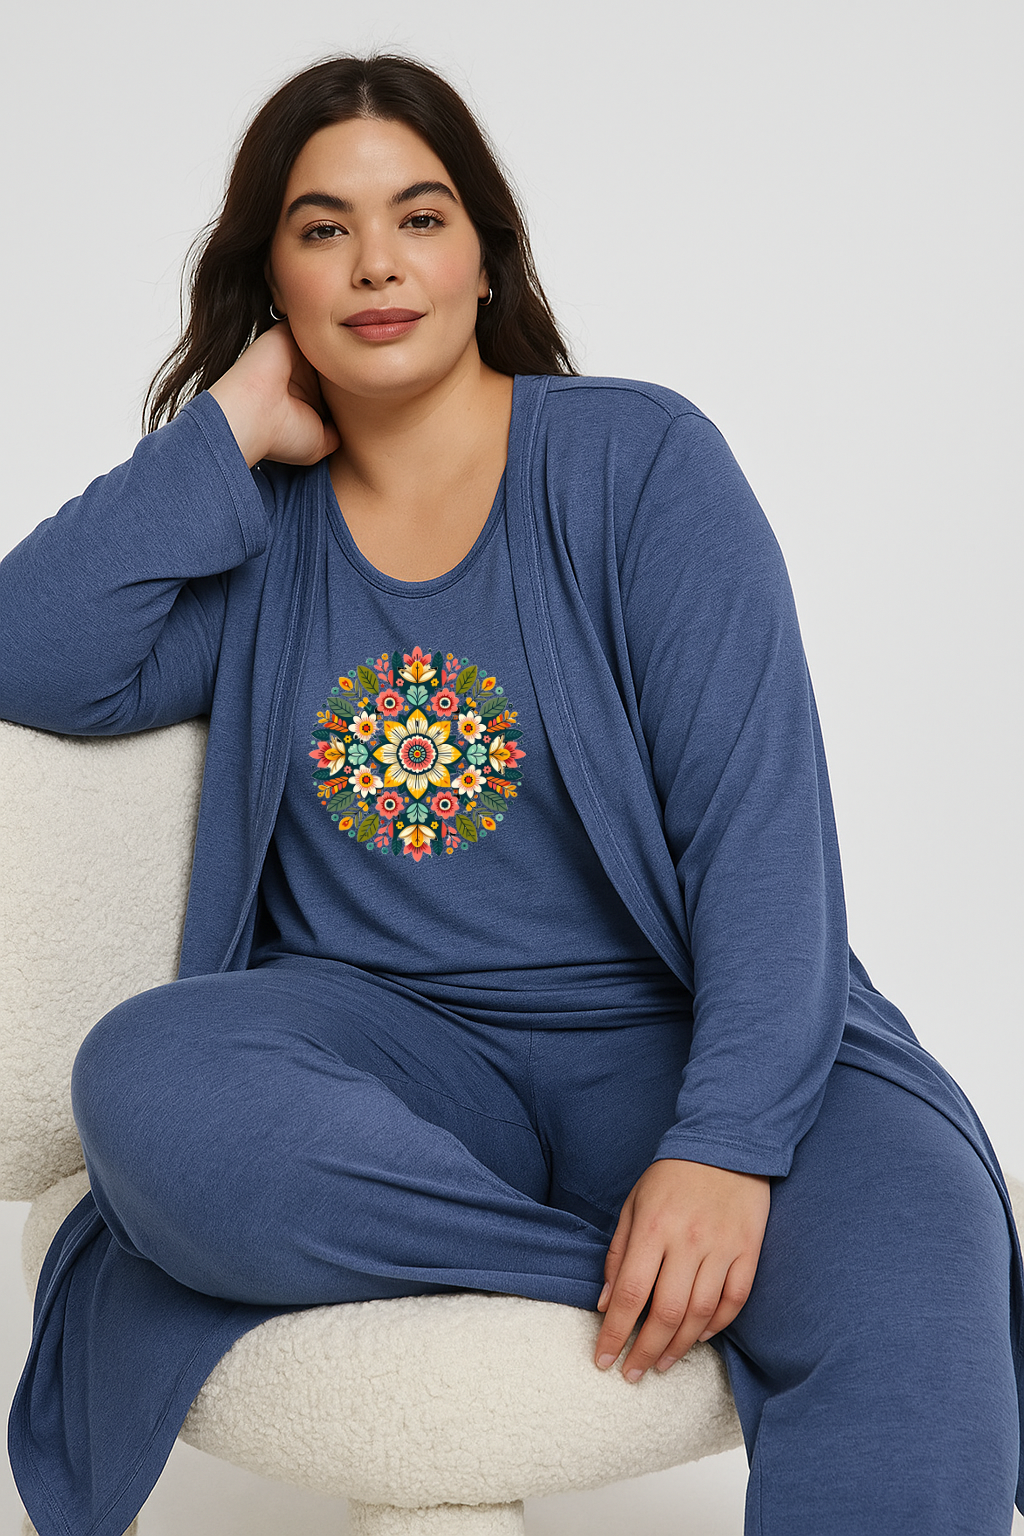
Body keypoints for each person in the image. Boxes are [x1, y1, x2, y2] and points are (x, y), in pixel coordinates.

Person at [2, 51, 1021, 1536]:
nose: (376, 264)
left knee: (919, 1257)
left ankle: (699, 1246)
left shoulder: (641, 466)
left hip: (675, 1039)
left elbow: (763, 839)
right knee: (145, 1082)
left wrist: (725, 1150)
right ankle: (626, 1273)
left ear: (486, 255)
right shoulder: (257, 536)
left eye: (419, 218)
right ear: (272, 280)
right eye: (322, 229)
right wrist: (224, 427)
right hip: (395, 1072)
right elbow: (28, 648)